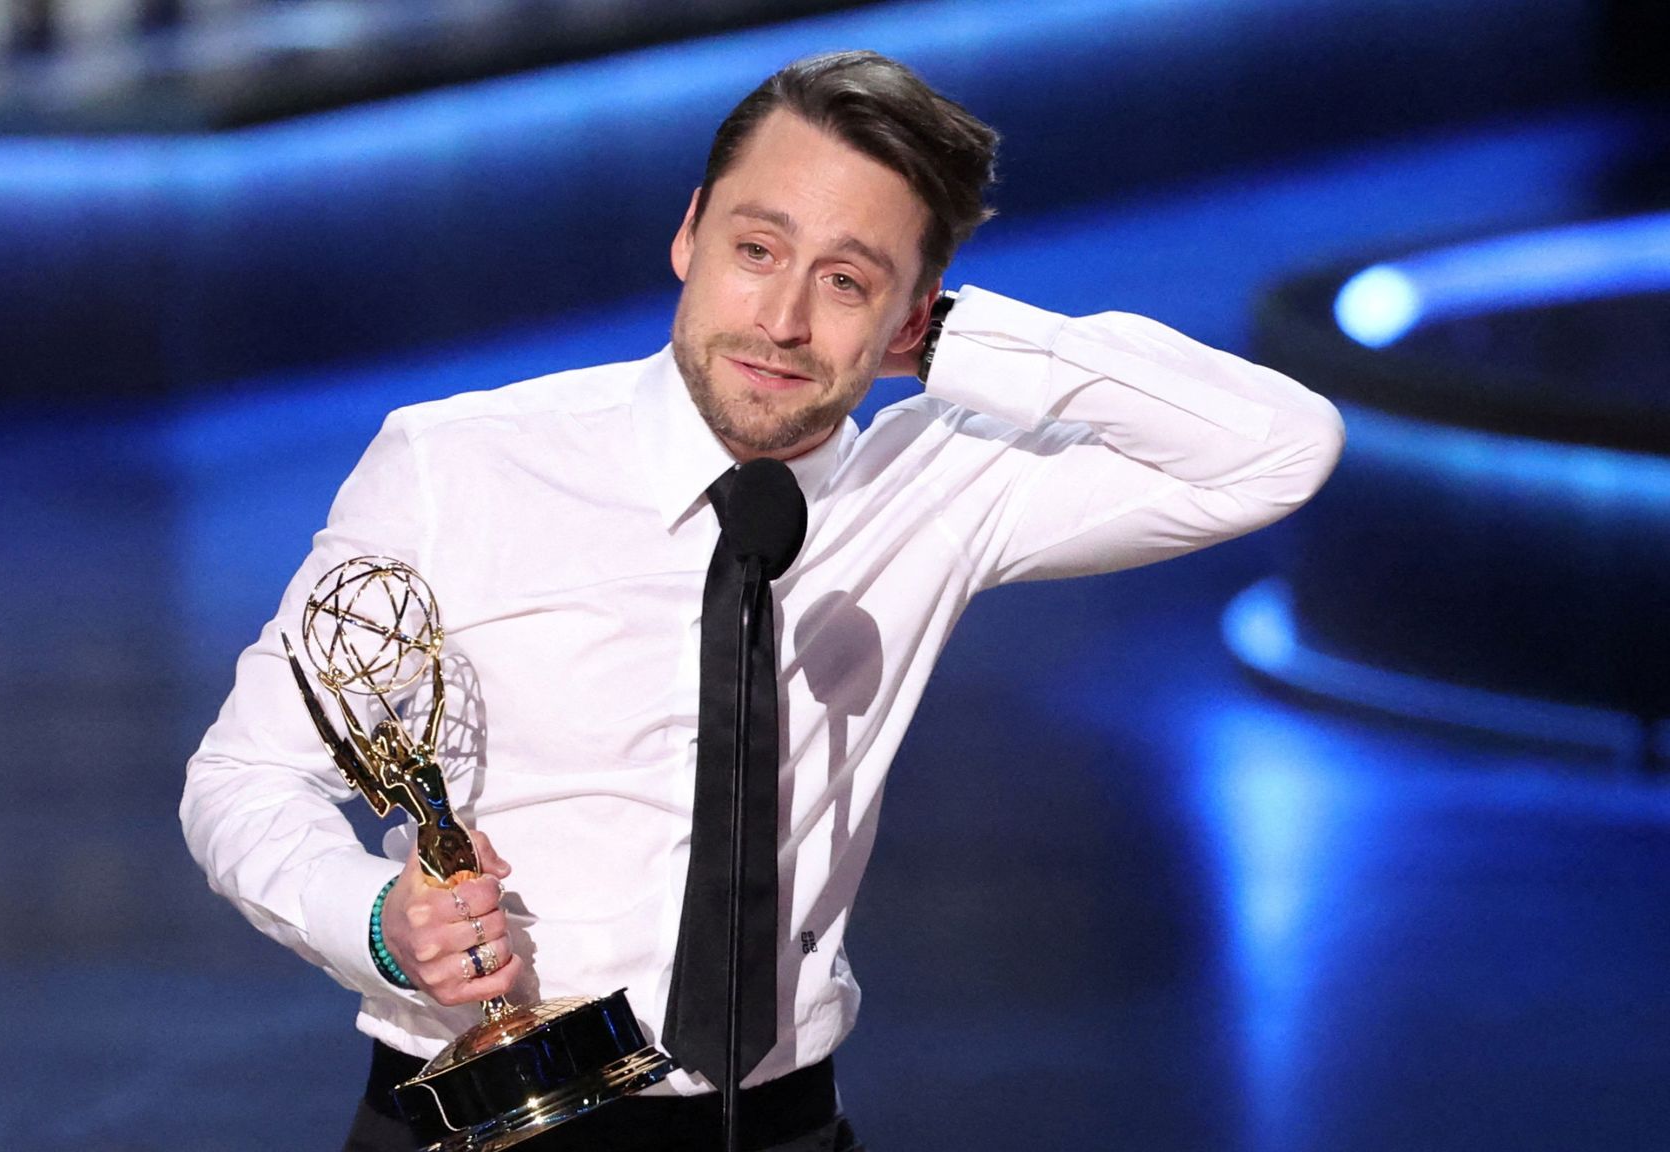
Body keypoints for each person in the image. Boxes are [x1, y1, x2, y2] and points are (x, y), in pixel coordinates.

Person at [181, 49, 1343, 1152]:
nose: (784, 323)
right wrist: (381, 922)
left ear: (909, 313)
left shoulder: (936, 486)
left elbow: (1276, 451)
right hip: (489, 1115)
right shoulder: (459, 465)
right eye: (755, 250)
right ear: (689, 233)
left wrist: (956, 341)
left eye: (846, 280)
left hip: (781, 1119)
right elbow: (245, 778)